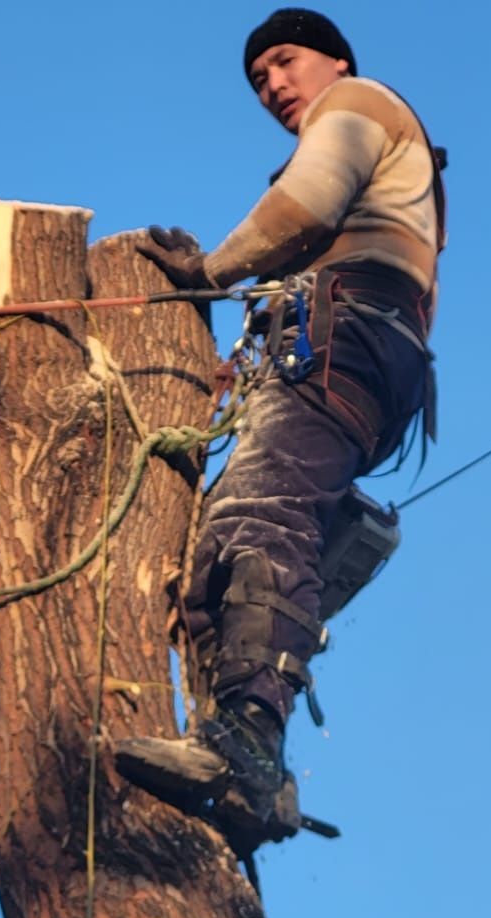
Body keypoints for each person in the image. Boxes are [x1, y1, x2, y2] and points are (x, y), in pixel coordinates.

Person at [117, 7, 446, 850]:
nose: (273, 86)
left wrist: (204, 273)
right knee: (221, 543)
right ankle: (255, 770)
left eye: (285, 62)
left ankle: (245, 749)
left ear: (336, 60)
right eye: (259, 80)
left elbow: (302, 207)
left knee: (263, 513)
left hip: (350, 341)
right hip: (355, 353)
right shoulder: (376, 154)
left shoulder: (361, 105)